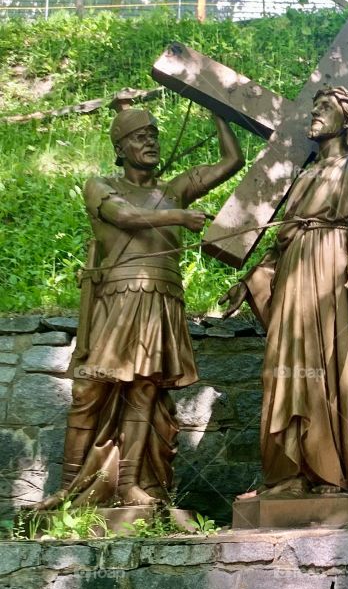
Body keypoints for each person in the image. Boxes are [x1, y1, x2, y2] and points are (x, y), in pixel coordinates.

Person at [39, 108, 244, 509]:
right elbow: (126, 217)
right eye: (138, 137)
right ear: (120, 148)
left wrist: (219, 110)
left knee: (145, 388)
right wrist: (179, 216)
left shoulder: (175, 188)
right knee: (89, 388)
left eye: (153, 134)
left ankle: (131, 483)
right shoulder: (101, 185)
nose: (149, 142)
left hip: (162, 297)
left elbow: (231, 161)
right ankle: (66, 488)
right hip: (117, 296)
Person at [221, 87, 348, 498]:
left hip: (333, 273)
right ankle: (288, 475)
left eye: (325, 108)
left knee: (327, 364)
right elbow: (284, 238)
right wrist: (251, 280)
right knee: (282, 368)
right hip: (294, 276)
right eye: (314, 107)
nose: (315, 114)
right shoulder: (304, 176)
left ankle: (331, 476)